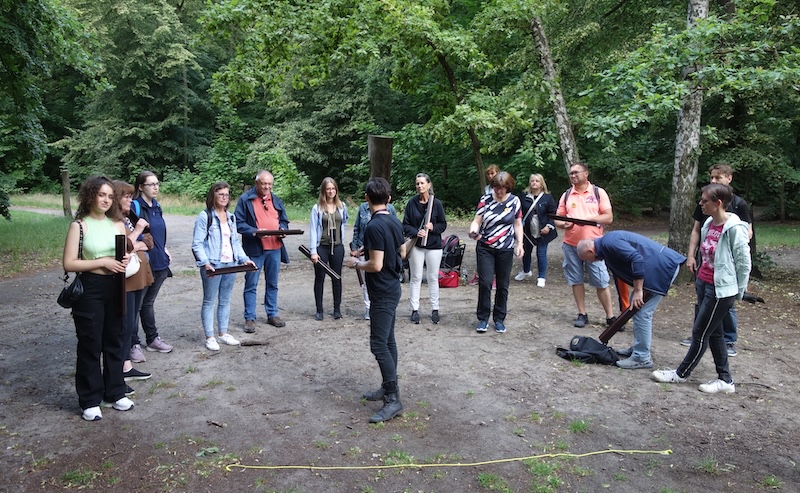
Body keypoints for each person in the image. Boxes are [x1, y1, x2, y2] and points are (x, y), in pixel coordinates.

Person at [652, 183, 751, 393]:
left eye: (705, 201)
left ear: (718, 203)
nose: (701, 203)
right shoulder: (708, 223)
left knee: (700, 332)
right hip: (704, 284)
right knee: (714, 333)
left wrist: (738, 291)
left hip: (721, 290)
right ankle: (725, 381)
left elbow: (744, 263)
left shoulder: (734, 228)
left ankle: (681, 374)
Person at [63, 175, 134, 421]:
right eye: (101, 195)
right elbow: (69, 263)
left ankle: (115, 392)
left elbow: (123, 255)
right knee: (90, 344)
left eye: (110, 196)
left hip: (116, 286)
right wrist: (102, 262)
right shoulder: (79, 226)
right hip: (90, 289)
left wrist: (124, 259)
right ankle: (90, 400)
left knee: (115, 340)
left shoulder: (118, 224)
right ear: (90, 195)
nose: (106, 200)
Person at [577, 231, 686, 369]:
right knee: (636, 307)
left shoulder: (610, 243)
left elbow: (636, 258)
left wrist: (639, 290)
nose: (590, 262)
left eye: (587, 259)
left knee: (642, 312)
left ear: (590, 251)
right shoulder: (606, 246)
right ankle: (638, 348)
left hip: (662, 268)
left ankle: (642, 357)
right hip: (658, 268)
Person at [348, 177, 406, 423]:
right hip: (392, 286)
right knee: (388, 339)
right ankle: (387, 386)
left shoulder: (373, 226)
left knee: (378, 344)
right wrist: (370, 250)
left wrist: (357, 263)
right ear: (389, 199)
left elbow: (376, 264)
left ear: (366, 199)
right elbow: (402, 251)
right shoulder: (393, 220)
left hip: (382, 290)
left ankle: (393, 399)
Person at [681, 163, 753, 356]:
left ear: (729, 178)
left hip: (724, 268)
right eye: (711, 177)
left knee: (725, 304)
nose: (713, 180)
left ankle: (729, 340)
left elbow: (747, 234)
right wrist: (691, 255)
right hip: (706, 264)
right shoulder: (705, 204)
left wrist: (737, 271)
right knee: (703, 301)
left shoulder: (739, 204)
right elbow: (697, 230)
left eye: (718, 177)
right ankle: (701, 332)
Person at [192, 182, 255, 350]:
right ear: (213, 196)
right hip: (213, 264)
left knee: (225, 300)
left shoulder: (231, 217)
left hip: (230, 264)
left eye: (226, 195)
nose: (224, 197)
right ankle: (210, 337)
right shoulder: (205, 216)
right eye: (220, 194)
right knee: (209, 301)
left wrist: (244, 259)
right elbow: (197, 244)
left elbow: (235, 242)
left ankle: (223, 333)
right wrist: (205, 263)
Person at [553, 162, 616, 328]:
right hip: (571, 245)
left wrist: (589, 219)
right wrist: (563, 224)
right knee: (576, 280)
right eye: (571, 173)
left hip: (593, 246)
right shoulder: (567, 194)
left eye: (576, 172)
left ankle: (610, 316)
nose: (573, 176)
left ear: (586, 173)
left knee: (601, 280)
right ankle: (582, 313)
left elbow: (608, 217)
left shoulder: (598, 192)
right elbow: (558, 218)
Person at [468, 171, 524, 333]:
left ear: (508, 187)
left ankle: (499, 319)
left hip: (505, 248)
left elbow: (518, 224)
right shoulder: (485, 200)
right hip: (485, 247)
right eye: (496, 187)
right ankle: (483, 318)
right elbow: (477, 220)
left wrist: (520, 244)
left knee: (502, 284)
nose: (499, 191)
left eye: (502, 188)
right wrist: (473, 231)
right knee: (485, 283)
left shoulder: (514, 201)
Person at [235, 170, 290, 331]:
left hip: (275, 248)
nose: (267, 187)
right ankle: (250, 318)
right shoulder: (246, 199)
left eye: (269, 184)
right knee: (251, 284)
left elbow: (284, 220)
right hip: (255, 249)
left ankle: (272, 314)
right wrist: (255, 231)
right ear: (256, 183)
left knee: (273, 283)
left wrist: (283, 229)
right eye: (264, 183)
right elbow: (238, 223)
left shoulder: (276, 199)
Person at [113, 180, 153, 394]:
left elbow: (150, 240)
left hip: (137, 277)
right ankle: (117, 373)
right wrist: (137, 233)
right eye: (126, 197)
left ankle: (126, 367)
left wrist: (134, 244)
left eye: (131, 196)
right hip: (124, 281)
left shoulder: (129, 217)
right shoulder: (114, 221)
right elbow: (121, 247)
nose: (130, 200)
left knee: (130, 323)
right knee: (124, 325)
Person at [132, 171, 174, 353]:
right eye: (151, 184)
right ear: (141, 187)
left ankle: (152, 339)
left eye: (157, 184)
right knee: (136, 305)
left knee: (148, 303)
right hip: (143, 264)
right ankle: (133, 343)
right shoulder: (134, 207)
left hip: (159, 263)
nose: (155, 187)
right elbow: (131, 235)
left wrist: (164, 248)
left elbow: (158, 232)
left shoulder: (157, 206)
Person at [402, 173, 447, 324]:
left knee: (433, 277)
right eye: (417, 183)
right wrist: (416, 232)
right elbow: (405, 225)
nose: (420, 186)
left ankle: (435, 309)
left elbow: (443, 224)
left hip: (434, 246)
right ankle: (415, 309)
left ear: (429, 184)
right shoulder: (411, 203)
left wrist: (433, 227)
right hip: (417, 246)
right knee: (416, 277)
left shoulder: (437, 204)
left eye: (422, 183)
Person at [309, 177, 348, 320]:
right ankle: (319, 310)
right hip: (322, 247)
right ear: (324, 191)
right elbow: (313, 229)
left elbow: (344, 222)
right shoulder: (317, 208)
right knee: (320, 277)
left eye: (333, 189)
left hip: (337, 247)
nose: (331, 191)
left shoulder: (342, 206)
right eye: (328, 189)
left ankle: (337, 309)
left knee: (337, 277)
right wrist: (313, 251)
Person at [350, 201, 397, 320]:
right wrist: (354, 248)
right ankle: (368, 307)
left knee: (381, 276)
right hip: (363, 247)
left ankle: (384, 307)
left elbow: (395, 231)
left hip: (384, 249)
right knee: (367, 280)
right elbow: (357, 228)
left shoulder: (390, 209)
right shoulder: (363, 207)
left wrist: (355, 264)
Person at [515, 173, 557, 287]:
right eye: (532, 180)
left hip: (542, 229)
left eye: (537, 181)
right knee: (526, 251)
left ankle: (541, 277)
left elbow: (553, 213)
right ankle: (526, 271)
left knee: (541, 253)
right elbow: (518, 211)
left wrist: (549, 226)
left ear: (541, 184)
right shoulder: (523, 196)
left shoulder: (547, 197)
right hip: (527, 229)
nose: (534, 183)